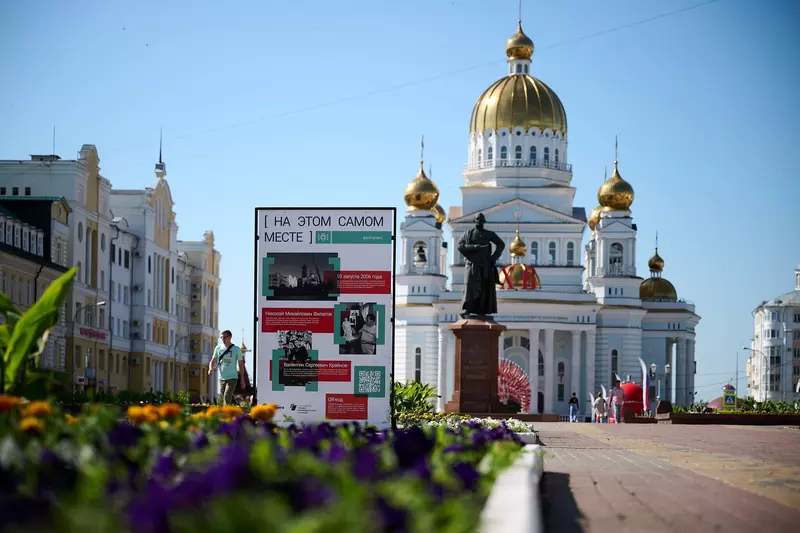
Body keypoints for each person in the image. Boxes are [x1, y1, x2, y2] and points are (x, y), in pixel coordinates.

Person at [208, 330, 245, 406]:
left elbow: (241, 365)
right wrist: (210, 368)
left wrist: (242, 379)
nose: (223, 339)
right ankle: (229, 411)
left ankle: (225, 414)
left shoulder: (236, 349)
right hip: (222, 378)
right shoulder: (218, 348)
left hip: (232, 377)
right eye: (222, 337)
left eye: (225, 337)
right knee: (224, 397)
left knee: (227, 396)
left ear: (230, 337)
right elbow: (212, 360)